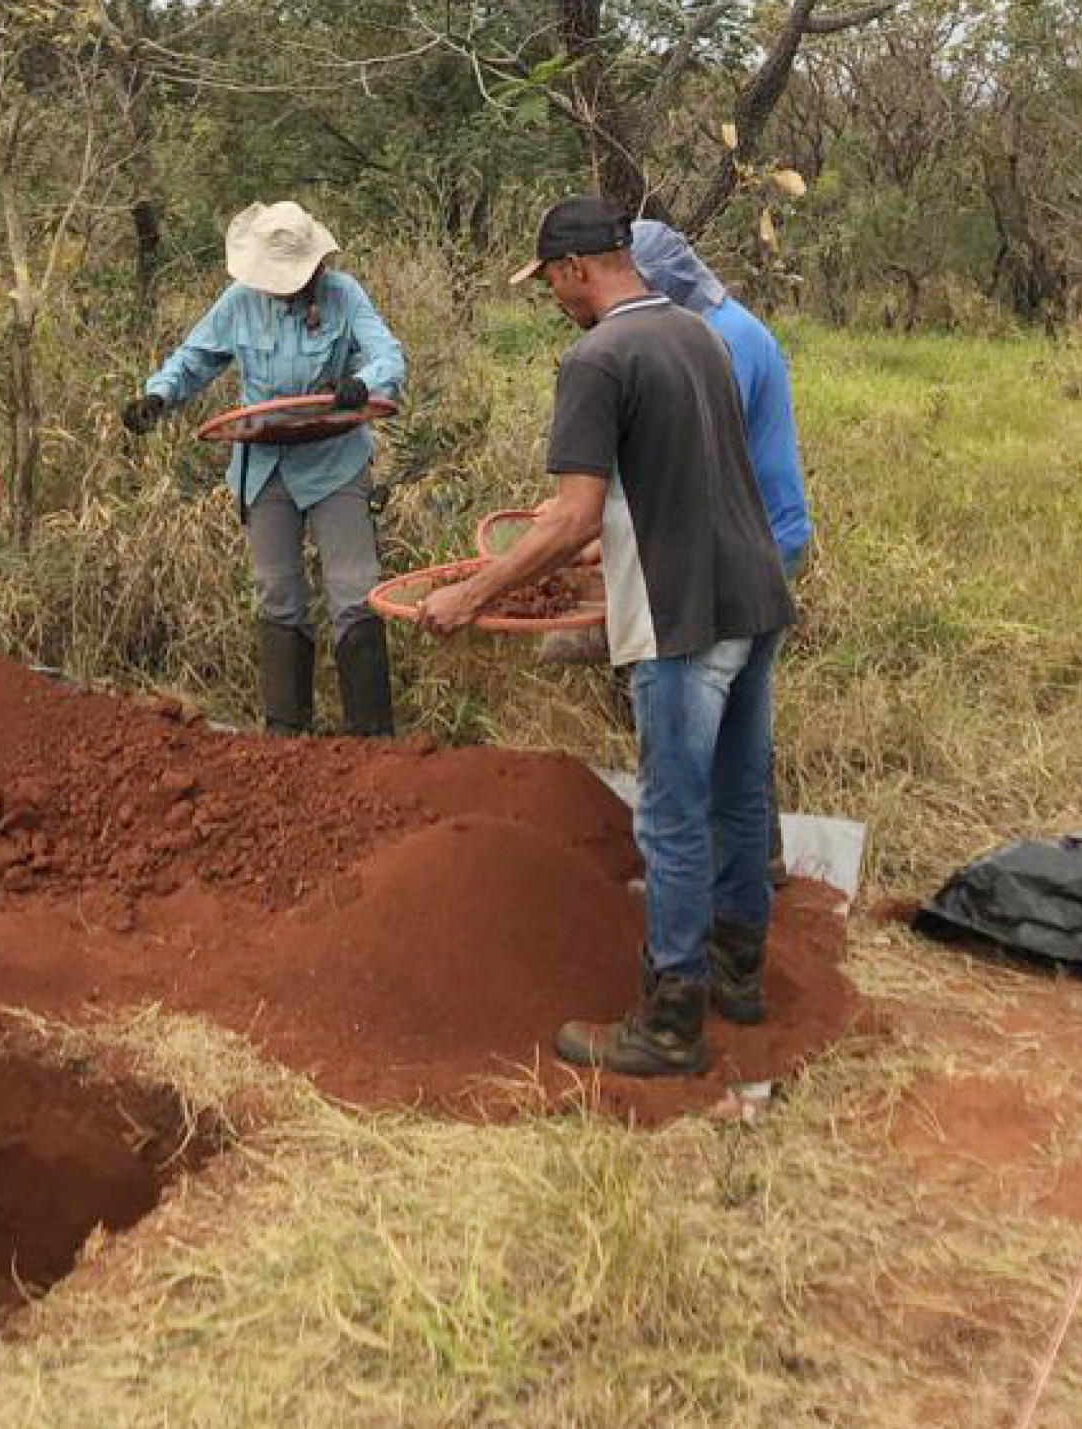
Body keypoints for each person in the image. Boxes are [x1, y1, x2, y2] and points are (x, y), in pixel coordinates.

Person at [418, 197, 795, 1077]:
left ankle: (668, 1025)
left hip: (682, 617)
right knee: (740, 794)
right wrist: (593, 550)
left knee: (670, 814)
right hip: (756, 591)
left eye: (549, 279)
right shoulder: (702, 333)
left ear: (576, 269)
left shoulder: (595, 358)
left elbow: (570, 511)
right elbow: (673, 482)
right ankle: (736, 978)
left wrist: (471, 593)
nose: (550, 295)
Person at [122, 201, 407, 736]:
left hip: (334, 459)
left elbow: (389, 356)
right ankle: (285, 736)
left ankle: (372, 741)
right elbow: (195, 357)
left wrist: (362, 385)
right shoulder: (239, 302)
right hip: (266, 463)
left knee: (353, 590)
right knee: (277, 590)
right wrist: (157, 397)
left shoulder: (344, 296)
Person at [630, 219, 810, 879]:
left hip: (739, 543)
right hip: (764, 536)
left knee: (692, 715)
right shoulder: (729, 325)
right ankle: (756, 860)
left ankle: (694, 874)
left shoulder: (716, 343)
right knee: (740, 717)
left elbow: (688, 465)